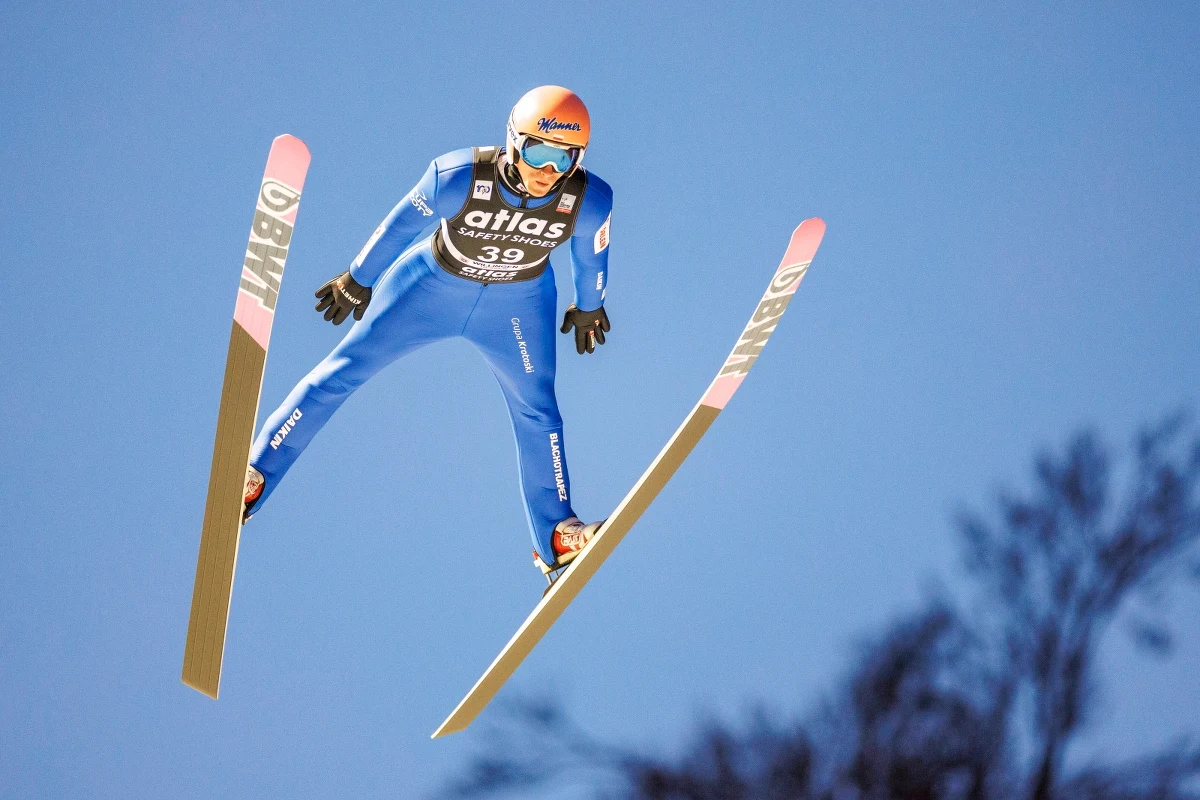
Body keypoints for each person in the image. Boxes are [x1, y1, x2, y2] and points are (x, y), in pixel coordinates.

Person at [242, 86, 613, 576]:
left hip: (518, 305)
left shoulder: (588, 200)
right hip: (430, 288)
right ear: (512, 142)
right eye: (537, 151)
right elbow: (398, 227)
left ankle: (557, 534)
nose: (547, 171)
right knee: (342, 372)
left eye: (564, 158)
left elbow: (591, 255)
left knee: (538, 409)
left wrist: (590, 306)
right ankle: (255, 475)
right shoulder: (458, 175)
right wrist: (359, 277)